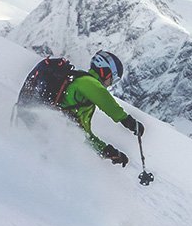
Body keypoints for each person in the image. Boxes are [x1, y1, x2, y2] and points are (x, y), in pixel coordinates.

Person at [17, 50, 145, 167]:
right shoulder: (87, 82)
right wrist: (127, 121)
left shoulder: (85, 97)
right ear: (104, 71)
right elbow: (107, 102)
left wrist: (107, 151)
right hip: (44, 127)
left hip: (44, 129)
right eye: (113, 79)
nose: (111, 84)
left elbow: (83, 135)